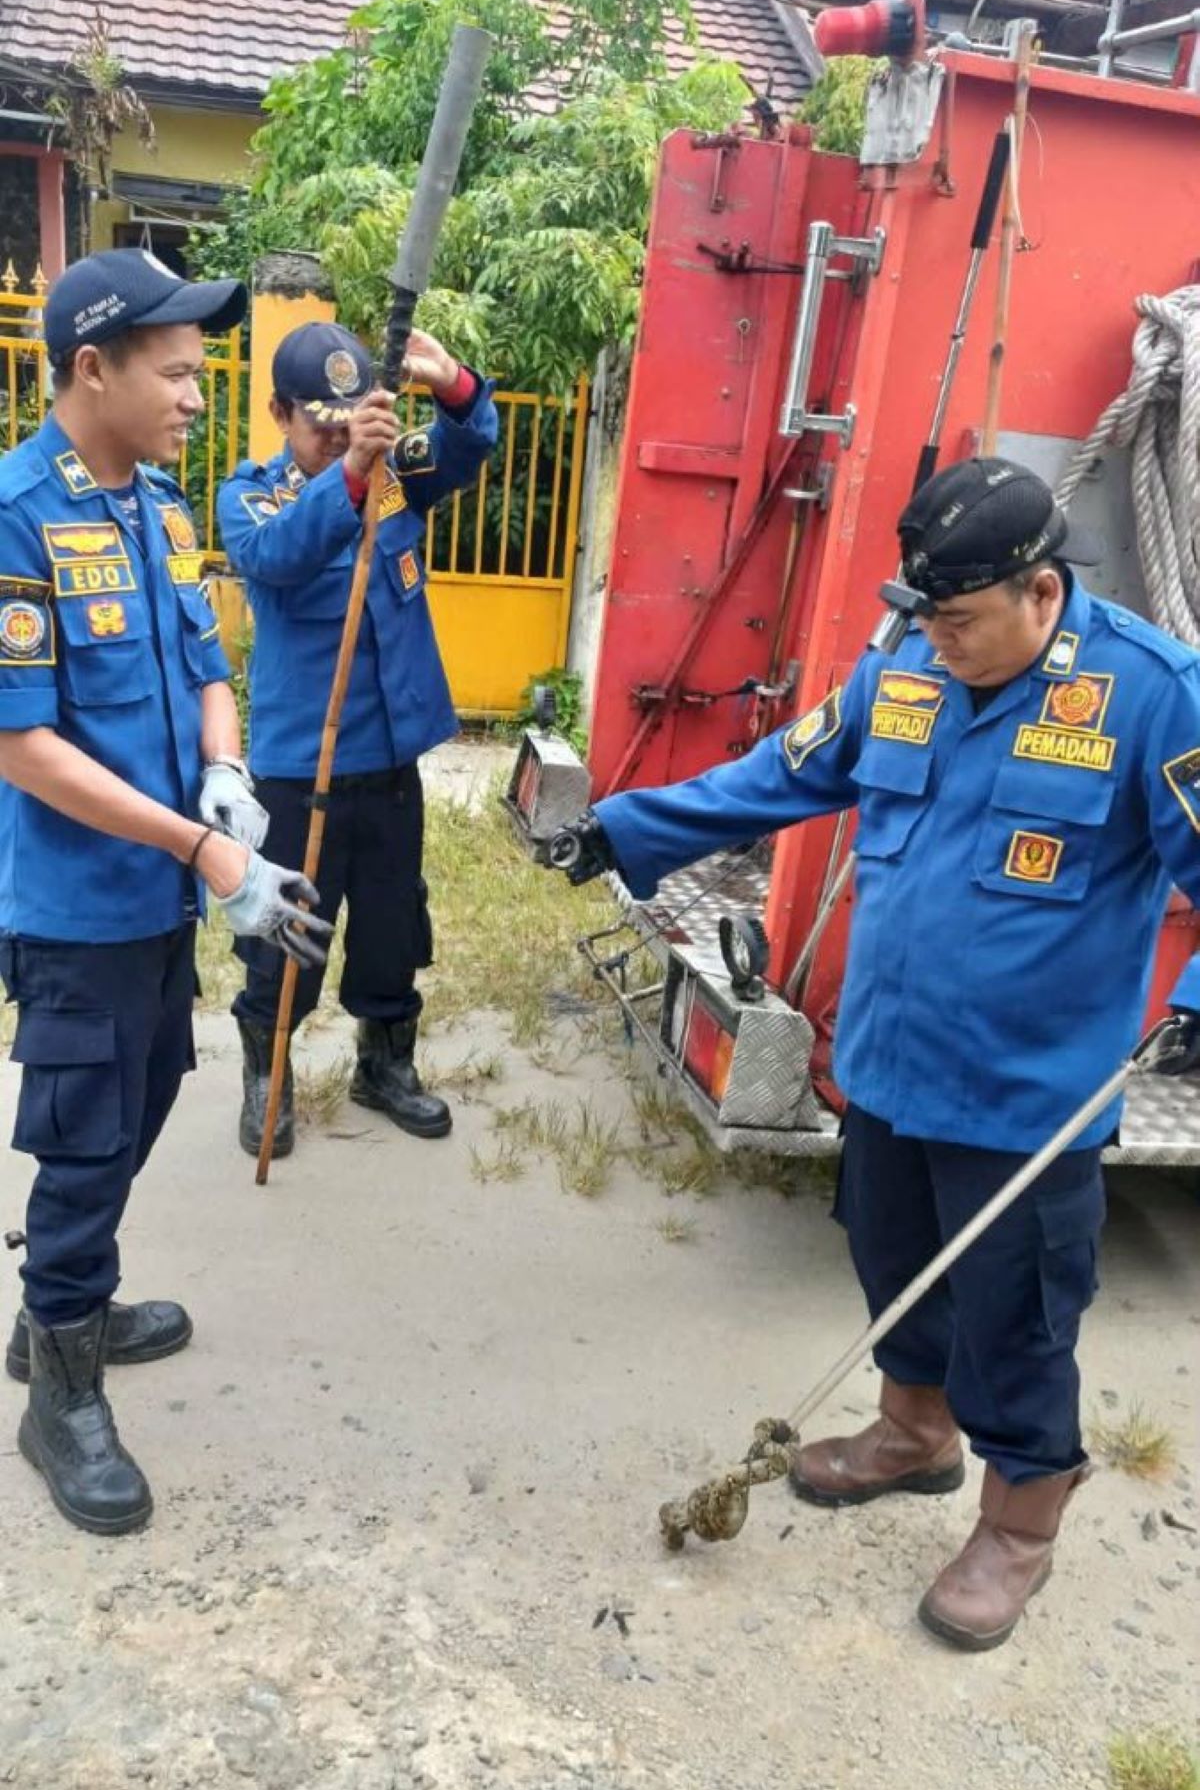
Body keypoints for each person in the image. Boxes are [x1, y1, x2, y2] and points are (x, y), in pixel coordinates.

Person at [551, 458, 1200, 1651]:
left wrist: (1194, 1005)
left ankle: (1021, 1523)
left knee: (1017, 1311)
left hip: (1029, 1093)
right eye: (926, 618)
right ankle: (914, 1433)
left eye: (962, 621)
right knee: (891, 1250)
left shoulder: (1154, 694)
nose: (938, 643)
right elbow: (787, 772)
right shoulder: (904, 662)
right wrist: (625, 828)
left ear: (1042, 591)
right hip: (892, 1061)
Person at [0, 248, 332, 1536]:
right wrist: (201, 849)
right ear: (92, 368)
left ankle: (63, 1308)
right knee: (86, 1141)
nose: (200, 397)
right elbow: (24, 746)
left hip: (162, 898)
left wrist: (226, 772)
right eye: (179, 374)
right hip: (77, 909)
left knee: (140, 1105)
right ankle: (59, 1394)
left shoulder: (164, 510)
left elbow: (205, 666)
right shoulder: (19, 514)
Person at [218, 322, 498, 1158]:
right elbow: (275, 556)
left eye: (352, 424)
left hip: (390, 760)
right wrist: (346, 477)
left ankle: (384, 1063)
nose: (343, 440)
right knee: (287, 936)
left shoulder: (394, 477)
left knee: (390, 927)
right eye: (323, 426)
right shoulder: (252, 496)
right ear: (280, 414)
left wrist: (451, 384)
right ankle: (268, 1072)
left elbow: (469, 443)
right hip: (300, 767)